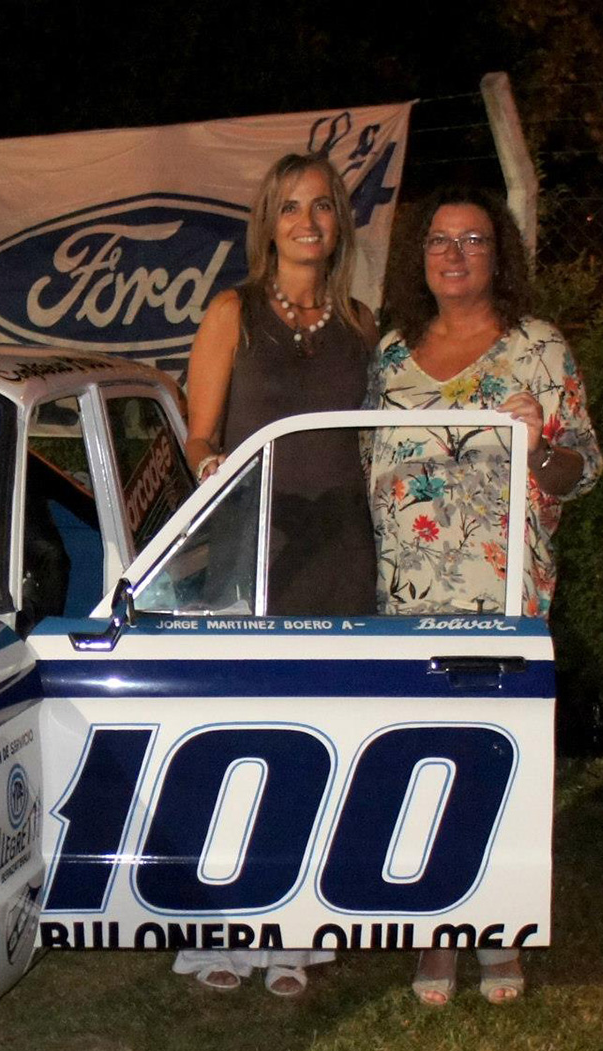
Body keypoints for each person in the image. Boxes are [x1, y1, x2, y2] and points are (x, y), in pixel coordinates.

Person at [366, 187, 602, 1006]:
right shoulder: (392, 355)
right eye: (439, 240)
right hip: (409, 601)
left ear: (498, 253)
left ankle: (498, 932)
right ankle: (435, 938)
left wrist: (541, 449)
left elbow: (582, 469)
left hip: (506, 598)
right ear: (418, 257)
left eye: (472, 239)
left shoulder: (538, 347)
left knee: (500, 767)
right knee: (428, 765)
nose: (455, 254)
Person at [173, 151, 378, 998]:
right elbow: (195, 434)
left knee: (316, 738)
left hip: (337, 554)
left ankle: (295, 926)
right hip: (249, 552)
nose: (307, 221)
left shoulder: (367, 325)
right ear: (269, 220)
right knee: (240, 734)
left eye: (322, 206)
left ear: (339, 223)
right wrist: (212, 463)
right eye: (290, 206)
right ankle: (225, 917)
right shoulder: (233, 311)